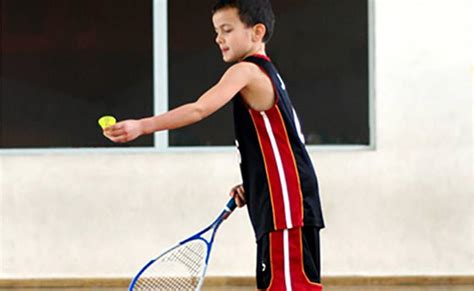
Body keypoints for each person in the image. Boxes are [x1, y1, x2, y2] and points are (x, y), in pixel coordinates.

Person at [104, 0, 325, 290]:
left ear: (257, 32)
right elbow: (285, 140)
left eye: (227, 29)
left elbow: (199, 109)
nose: (218, 38)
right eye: (216, 31)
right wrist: (256, 182)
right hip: (281, 201)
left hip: (285, 207)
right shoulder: (269, 74)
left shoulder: (245, 71)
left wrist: (142, 126)